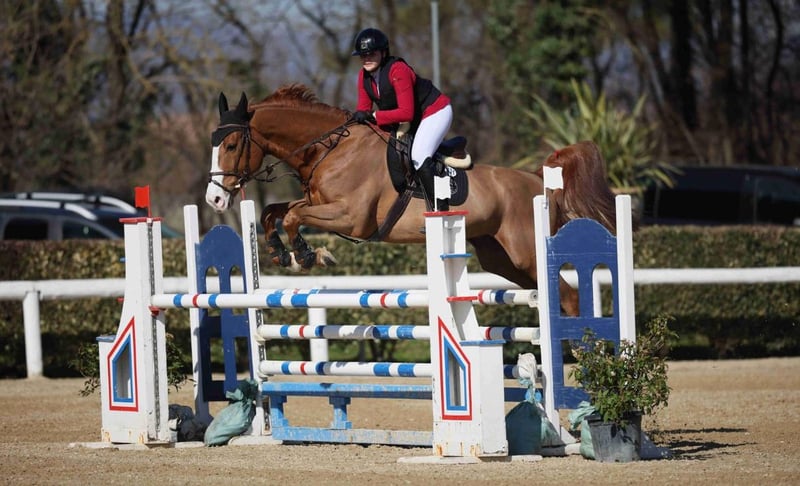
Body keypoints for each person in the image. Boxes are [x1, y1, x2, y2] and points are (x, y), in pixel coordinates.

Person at [350, 27, 453, 211]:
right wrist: (358, 116)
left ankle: (441, 207)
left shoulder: (398, 70)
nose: (366, 59)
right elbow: (364, 109)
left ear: (383, 53)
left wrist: (375, 116)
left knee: (419, 156)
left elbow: (406, 113)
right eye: (363, 55)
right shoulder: (364, 76)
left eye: (372, 54)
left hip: (435, 111)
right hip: (411, 120)